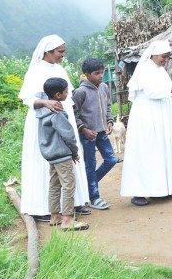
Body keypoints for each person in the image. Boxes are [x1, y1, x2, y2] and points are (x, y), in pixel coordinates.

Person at [19, 35, 90, 221]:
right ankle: (45, 209)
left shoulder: (60, 69)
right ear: (48, 52)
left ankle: (74, 203)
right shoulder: (35, 71)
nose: (63, 55)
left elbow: (69, 95)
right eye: (60, 52)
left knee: (68, 160)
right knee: (47, 166)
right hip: (43, 122)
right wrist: (45, 102)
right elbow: (27, 99)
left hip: (63, 117)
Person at [120, 40, 172, 206]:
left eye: (167, 57)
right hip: (147, 117)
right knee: (147, 151)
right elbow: (152, 92)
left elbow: (166, 92)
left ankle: (162, 189)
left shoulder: (160, 70)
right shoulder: (144, 69)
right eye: (163, 56)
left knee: (162, 149)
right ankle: (140, 192)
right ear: (154, 54)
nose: (165, 60)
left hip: (161, 116)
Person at [37, 77, 89, 231]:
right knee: (68, 185)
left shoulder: (43, 112)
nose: (68, 93)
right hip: (62, 155)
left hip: (51, 155)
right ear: (58, 95)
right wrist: (74, 152)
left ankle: (54, 216)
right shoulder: (58, 113)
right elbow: (68, 135)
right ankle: (67, 219)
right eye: (67, 91)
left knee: (54, 185)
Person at [72, 58, 118, 210]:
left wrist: (109, 120)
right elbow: (73, 113)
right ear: (86, 74)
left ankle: (88, 185)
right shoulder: (80, 92)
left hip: (102, 132)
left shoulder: (104, 87)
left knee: (111, 159)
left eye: (102, 72)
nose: (100, 75)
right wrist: (83, 129)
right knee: (90, 165)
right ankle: (94, 197)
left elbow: (108, 105)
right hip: (88, 135)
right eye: (97, 73)